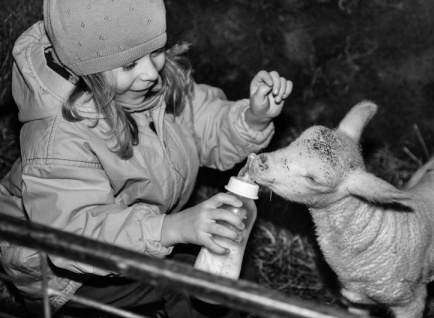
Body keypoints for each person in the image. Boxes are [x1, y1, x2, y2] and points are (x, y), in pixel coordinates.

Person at [0, 0, 293, 317]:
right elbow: (77, 235)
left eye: (156, 51)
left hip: (145, 229)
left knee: (233, 272)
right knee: (193, 289)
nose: (151, 73)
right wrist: (171, 229)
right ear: (86, 70)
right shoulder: (59, 136)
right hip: (67, 270)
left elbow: (203, 121)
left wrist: (252, 118)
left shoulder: (153, 83)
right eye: (129, 65)